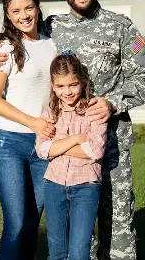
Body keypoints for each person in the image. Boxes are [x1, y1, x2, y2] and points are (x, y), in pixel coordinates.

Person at [0, 0, 145, 260]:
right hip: (66, 141)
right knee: (73, 223)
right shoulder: (53, 27)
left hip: (111, 143)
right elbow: (14, 38)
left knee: (117, 220)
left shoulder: (122, 26)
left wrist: (113, 102)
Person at [0, 0, 57, 260]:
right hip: (9, 144)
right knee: (15, 225)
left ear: (38, 8)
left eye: (28, 8)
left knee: (31, 224)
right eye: (16, 11)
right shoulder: (3, 47)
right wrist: (32, 122)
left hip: (43, 145)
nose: (24, 15)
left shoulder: (53, 44)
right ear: (8, 15)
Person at [35, 52, 107, 260]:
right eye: (60, 86)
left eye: (73, 85)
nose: (67, 92)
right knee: (56, 252)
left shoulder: (94, 109)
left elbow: (95, 151)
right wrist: (77, 139)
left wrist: (56, 146)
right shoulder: (50, 110)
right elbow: (42, 150)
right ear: (52, 85)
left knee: (78, 252)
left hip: (86, 186)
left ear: (82, 82)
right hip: (54, 185)